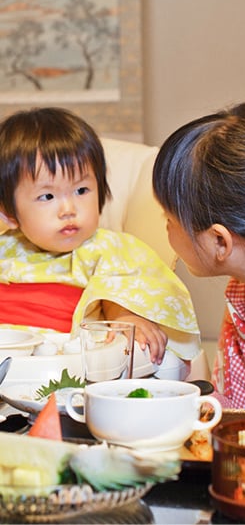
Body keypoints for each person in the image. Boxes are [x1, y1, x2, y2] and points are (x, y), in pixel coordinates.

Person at [0, 106, 200, 378]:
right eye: (47, 197)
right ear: (9, 213)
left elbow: (119, 291)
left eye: (81, 190)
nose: (68, 209)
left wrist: (125, 319)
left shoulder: (110, 249)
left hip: (70, 371)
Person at [152, 102, 245, 408]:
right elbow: (235, 408)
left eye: (169, 218)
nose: (166, 228)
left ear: (219, 241)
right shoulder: (240, 289)